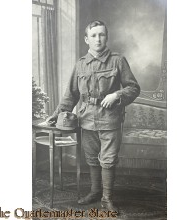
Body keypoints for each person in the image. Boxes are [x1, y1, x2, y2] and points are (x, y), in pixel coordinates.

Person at [46, 20, 140, 212]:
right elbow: (70, 95)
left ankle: (107, 198)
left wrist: (117, 95)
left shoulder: (117, 60)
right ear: (86, 39)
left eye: (102, 34)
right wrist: (55, 116)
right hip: (86, 119)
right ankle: (95, 191)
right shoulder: (80, 65)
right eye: (94, 35)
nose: (98, 39)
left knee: (108, 159)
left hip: (110, 120)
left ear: (107, 37)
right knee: (91, 158)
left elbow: (133, 88)